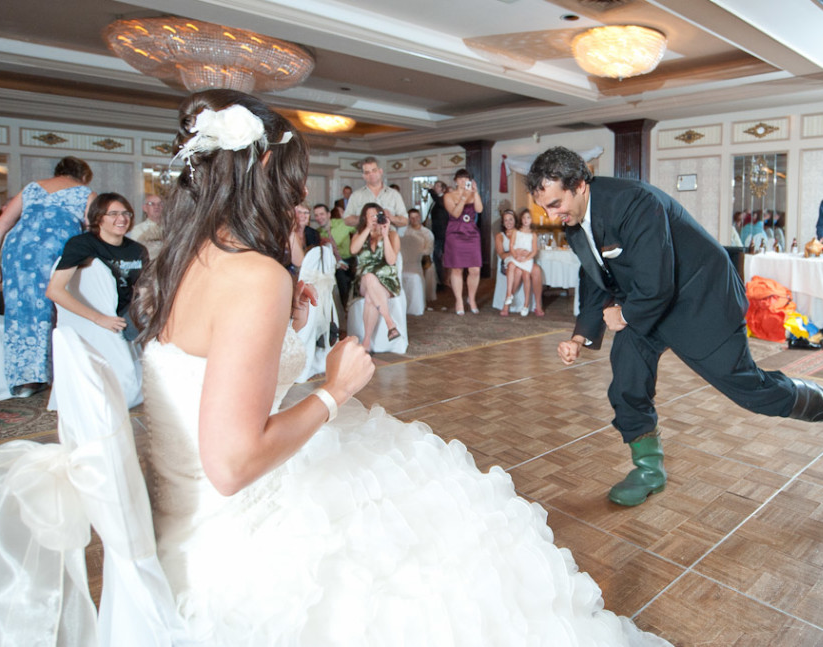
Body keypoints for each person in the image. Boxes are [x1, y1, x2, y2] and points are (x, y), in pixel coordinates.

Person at [133, 90, 669, 646]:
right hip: (244, 537)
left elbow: (213, 372)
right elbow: (232, 464)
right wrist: (334, 391)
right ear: (265, 165)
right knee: (437, 537)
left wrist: (283, 325)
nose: (297, 193)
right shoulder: (253, 275)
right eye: (296, 177)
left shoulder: (178, 258)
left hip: (180, 524)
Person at [527, 146, 823, 508]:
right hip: (646, 304)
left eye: (555, 204)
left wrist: (625, 316)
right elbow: (594, 271)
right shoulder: (576, 218)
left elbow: (657, 282)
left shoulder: (634, 203)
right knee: (627, 380)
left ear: (580, 185)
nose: (553, 216)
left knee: (748, 389)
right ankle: (648, 470)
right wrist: (580, 335)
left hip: (700, 299)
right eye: (546, 208)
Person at [0, 156, 95, 397]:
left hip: (17, 251)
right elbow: (94, 229)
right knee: (54, 309)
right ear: (84, 175)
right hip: (53, 249)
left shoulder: (32, 187)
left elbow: (1, 225)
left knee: (19, 311)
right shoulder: (85, 193)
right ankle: (52, 373)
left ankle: (24, 379)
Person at [46, 193, 148, 341]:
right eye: (113, 214)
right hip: (98, 314)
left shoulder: (138, 250)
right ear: (98, 218)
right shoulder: (82, 244)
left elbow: (144, 291)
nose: (122, 219)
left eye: (126, 213)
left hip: (128, 312)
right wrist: (99, 318)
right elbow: (54, 291)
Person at [349, 202, 401, 352]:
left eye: (376, 215)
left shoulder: (392, 235)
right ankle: (390, 323)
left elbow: (391, 261)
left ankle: (366, 342)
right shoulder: (360, 234)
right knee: (369, 277)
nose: (373, 218)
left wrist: (384, 235)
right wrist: (368, 229)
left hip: (387, 281)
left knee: (371, 299)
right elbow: (353, 250)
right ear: (364, 218)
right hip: (364, 281)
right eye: (369, 216)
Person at [443, 169, 483, 315]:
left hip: (471, 233)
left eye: (466, 178)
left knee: (475, 269)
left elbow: (479, 209)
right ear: (455, 180)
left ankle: (471, 299)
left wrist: (475, 192)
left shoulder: (472, 194)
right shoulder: (448, 196)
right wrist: (463, 198)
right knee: (457, 269)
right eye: (460, 178)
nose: (463, 181)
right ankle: (459, 300)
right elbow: (455, 213)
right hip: (455, 233)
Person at [343, 157, 408, 229]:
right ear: (363, 176)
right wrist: (364, 217)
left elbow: (405, 221)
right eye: (367, 172)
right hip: (364, 238)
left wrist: (391, 217)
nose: (371, 174)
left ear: (380, 171)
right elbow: (347, 220)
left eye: (374, 170)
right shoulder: (356, 195)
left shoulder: (394, 194)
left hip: (389, 237)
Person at [502, 208, 542, 317]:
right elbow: (511, 246)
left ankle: (526, 304)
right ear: (521, 219)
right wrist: (516, 255)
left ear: (531, 220)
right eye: (524, 218)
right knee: (511, 265)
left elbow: (534, 250)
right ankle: (509, 295)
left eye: (528, 218)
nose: (525, 220)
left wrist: (526, 257)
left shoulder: (533, 234)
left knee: (526, 275)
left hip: (526, 260)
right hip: (515, 257)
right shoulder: (516, 231)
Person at [128, 193, 164, 260]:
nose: (156, 206)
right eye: (151, 204)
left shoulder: (171, 228)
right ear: (144, 208)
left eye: (160, 204)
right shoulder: (137, 230)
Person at [427, 180, 450, 285]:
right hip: (436, 232)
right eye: (435, 186)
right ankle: (441, 279)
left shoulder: (444, 199)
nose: (435, 187)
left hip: (443, 233)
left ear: (443, 189)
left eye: (437, 186)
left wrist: (431, 190)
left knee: (443, 256)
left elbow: (439, 202)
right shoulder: (436, 200)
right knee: (437, 257)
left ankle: (444, 280)